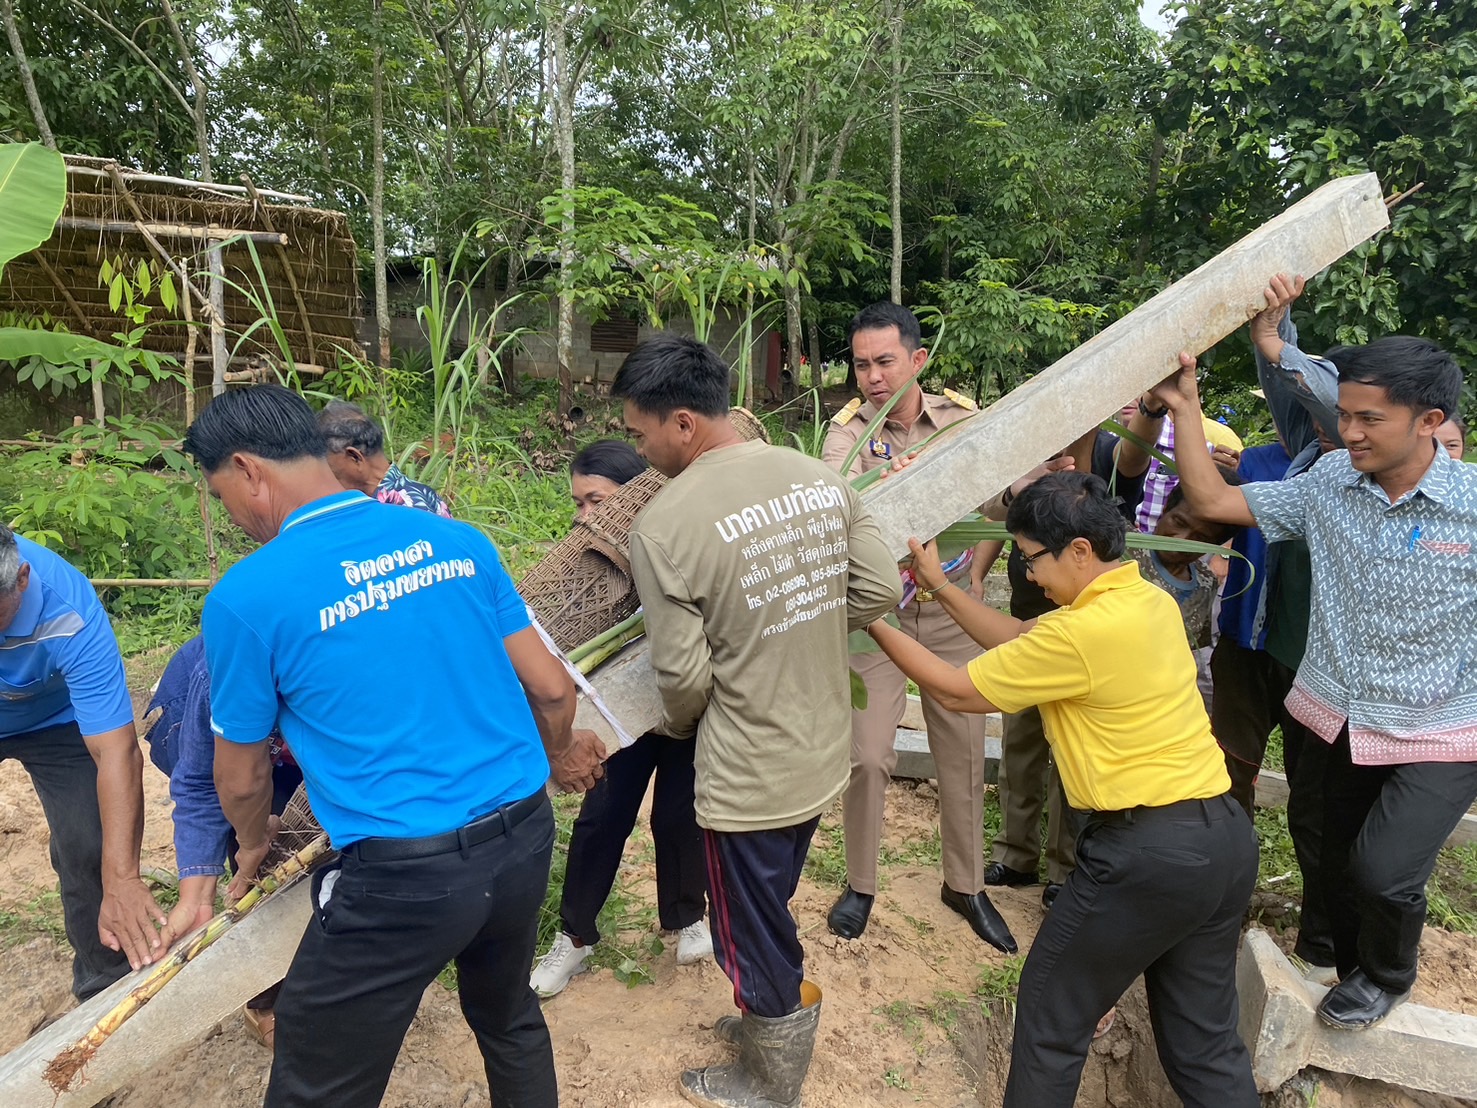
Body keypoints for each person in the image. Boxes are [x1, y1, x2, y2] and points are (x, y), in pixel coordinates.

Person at [184, 384, 607, 1108]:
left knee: (318, 1083)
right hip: (522, 838)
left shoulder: (247, 598)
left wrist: (253, 843)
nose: (232, 515)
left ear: (249, 470)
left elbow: (245, 777)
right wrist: (548, 756)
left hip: (404, 877)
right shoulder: (456, 542)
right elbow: (552, 692)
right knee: (507, 1019)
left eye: (222, 494)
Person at [867, 473, 1259, 1108]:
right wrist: (938, 584)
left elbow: (954, 690)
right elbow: (1022, 644)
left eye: (1031, 560)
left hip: (1146, 853)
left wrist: (872, 619)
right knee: (1205, 1045)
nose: (1030, 577)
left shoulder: (1077, 634)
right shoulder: (1147, 603)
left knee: (1051, 1019)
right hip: (1223, 845)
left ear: (1079, 550)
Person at [1150, 333, 1477, 1032]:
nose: (1347, 432)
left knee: (1384, 872)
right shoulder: (1330, 484)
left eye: (1367, 420)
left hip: (1442, 726)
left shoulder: (1471, 506)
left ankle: (1386, 975)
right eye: (1345, 415)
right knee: (1333, 861)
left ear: (1427, 421)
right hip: (1339, 714)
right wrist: (1184, 408)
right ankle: (1351, 966)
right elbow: (1210, 497)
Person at [613, 334, 901, 1108]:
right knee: (768, 903)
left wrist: (684, 722)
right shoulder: (817, 478)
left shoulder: (664, 527)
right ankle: (766, 1022)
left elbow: (680, 677)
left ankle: (767, 1080)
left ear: (681, 423)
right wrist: (800, 627)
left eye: (640, 435)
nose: (641, 455)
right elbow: (877, 587)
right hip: (818, 750)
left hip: (748, 771)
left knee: (749, 926)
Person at [144, 440, 459, 1046]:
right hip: (193, 727)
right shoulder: (251, 638)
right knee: (261, 855)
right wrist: (199, 881)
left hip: (291, 755)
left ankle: (322, 960)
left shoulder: (380, 625)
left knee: (316, 845)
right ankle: (267, 999)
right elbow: (209, 781)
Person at [820, 301, 1010, 950]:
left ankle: (964, 885)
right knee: (867, 755)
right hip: (880, 617)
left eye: (884, 362)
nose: (871, 377)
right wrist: (882, 480)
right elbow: (836, 497)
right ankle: (861, 884)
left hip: (951, 610)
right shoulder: (846, 435)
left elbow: (997, 502)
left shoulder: (962, 421)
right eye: (861, 364)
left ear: (917, 360)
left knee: (960, 755)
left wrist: (978, 572)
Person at [530, 440, 712, 998]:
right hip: (619, 715)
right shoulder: (582, 573)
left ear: (636, 498)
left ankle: (688, 916)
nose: (587, 517)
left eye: (598, 501)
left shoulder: (681, 541)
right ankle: (576, 937)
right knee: (600, 819)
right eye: (579, 504)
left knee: (681, 817)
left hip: (685, 708)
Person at [1210, 274, 1341, 979]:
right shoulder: (1301, 453)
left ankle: (1320, 945)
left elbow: (1322, 395)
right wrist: (1274, 327)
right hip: (1250, 648)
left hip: (1317, 667)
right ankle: (1217, 913)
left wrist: (1271, 339)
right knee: (1227, 782)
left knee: (1314, 806)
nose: (1324, 423)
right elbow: (1302, 396)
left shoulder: (1364, 473)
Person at [984, 406, 1161, 911]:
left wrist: (1086, 447)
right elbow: (996, 520)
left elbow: (1117, 472)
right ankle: (1015, 853)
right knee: (1020, 748)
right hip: (1029, 627)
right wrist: (1024, 484)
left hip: (1085, 639)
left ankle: (1064, 868)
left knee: (1069, 757)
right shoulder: (1023, 463)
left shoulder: (1108, 456)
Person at [0, 527, 168, 999]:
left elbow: (116, 749)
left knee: (92, 846)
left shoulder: (66, 606)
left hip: (54, 720)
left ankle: (106, 984)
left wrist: (123, 879)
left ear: (23, 580)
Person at [1130, 476, 1244, 655]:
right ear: (1166, 508)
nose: (1182, 539)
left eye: (1200, 538)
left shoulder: (1205, 583)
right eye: (1179, 522)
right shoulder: (1124, 549)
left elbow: (1186, 652)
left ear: (1214, 544)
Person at [317, 400, 452, 517]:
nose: (328, 479)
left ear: (355, 458)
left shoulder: (407, 506)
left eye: (331, 470)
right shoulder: (410, 494)